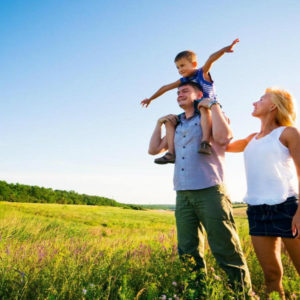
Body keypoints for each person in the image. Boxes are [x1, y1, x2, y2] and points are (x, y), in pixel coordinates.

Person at [148, 81, 252, 296]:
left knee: (225, 247)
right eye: (177, 92)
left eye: (184, 91)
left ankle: (242, 295)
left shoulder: (211, 116)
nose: (179, 94)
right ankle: (197, 293)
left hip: (210, 190)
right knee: (187, 250)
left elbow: (225, 138)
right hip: (182, 193)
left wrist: (213, 105)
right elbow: (153, 150)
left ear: (198, 94)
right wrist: (159, 123)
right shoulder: (176, 124)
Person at [226, 88, 300, 299]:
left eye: (260, 99)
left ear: (273, 106)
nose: (254, 102)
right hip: (257, 210)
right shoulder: (252, 139)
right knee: (271, 275)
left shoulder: (289, 133)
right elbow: (222, 146)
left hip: (287, 208)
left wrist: (299, 212)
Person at [142, 38, 239, 161]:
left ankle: (205, 141)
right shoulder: (184, 81)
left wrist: (225, 50)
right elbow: (165, 87)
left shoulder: (201, 73)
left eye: (182, 65)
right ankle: (171, 153)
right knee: (170, 121)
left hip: (208, 107)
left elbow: (211, 59)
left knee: (203, 107)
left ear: (193, 64)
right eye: (177, 67)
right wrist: (151, 99)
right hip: (194, 111)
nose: (180, 70)